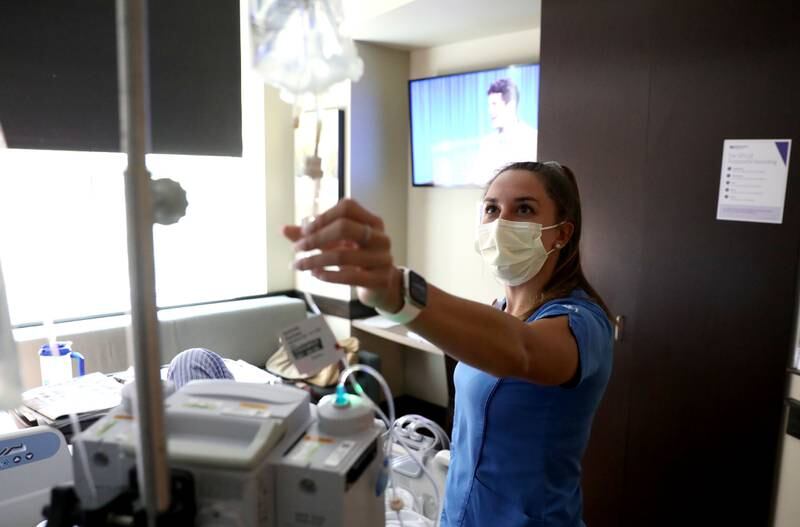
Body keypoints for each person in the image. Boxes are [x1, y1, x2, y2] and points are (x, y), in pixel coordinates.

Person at [286, 161, 613, 526]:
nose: (501, 222)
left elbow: (522, 351)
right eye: (491, 208)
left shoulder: (585, 324)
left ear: (561, 234)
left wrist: (396, 289)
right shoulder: (500, 310)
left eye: (523, 209)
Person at [471, 79, 538, 185]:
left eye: (494, 104)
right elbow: (477, 180)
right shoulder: (487, 144)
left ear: (511, 104)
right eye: (489, 105)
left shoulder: (532, 139)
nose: (490, 111)